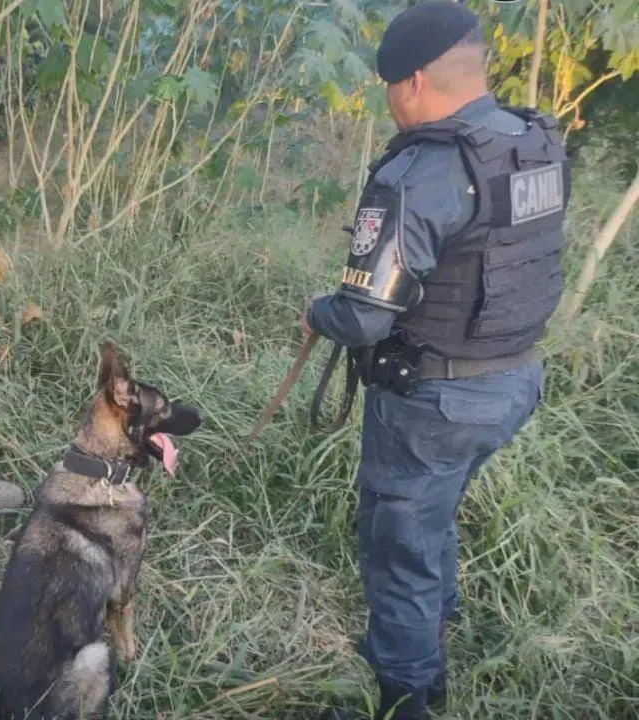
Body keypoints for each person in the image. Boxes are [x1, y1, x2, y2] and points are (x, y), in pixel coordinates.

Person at [301, 3, 570, 719]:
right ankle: (424, 640)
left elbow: (361, 318)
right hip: (514, 380)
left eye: (390, 89)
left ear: (413, 82)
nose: (390, 104)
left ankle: (406, 695)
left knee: (400, 550)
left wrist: (315, 311)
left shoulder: (420, 171)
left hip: (436, 400)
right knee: (434, 512)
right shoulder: (533, 140)